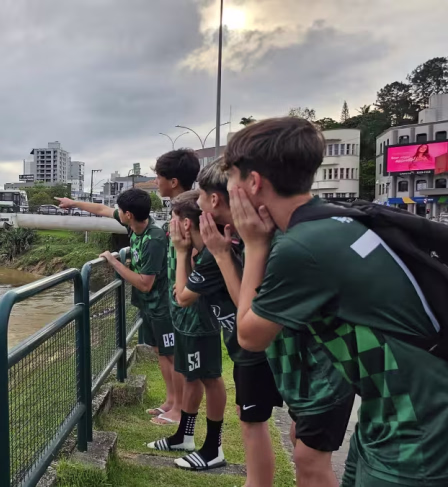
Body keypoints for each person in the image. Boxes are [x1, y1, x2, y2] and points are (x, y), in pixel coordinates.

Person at [225, 116, 448, 486]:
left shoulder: (301, 247)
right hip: (390, 413)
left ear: (253, 182)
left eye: (231, 177)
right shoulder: (332, 221)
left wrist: (253, 244)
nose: (229, 189)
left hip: (415, 430)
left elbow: (250, 336)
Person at [195, 160, 284, 485]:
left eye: (200, 196)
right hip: (259, 350)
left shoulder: (260, 239)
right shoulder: (246, 236)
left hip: (265, 350)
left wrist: (220, 255)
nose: (198, 203)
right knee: (250, 419)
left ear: (214, 199)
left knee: (261, 426)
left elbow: (246, 308)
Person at [55, 188, 177, 420]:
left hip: (162, 307)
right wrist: (73, 203)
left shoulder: (154, 239)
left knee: (171, 356)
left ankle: (179, 408)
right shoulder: (133, 225)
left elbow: (145, 284)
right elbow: (101, 209)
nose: (117, 212)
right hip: (149, 306)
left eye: (120, 210)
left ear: (128, 214)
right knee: (161, 353)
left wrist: (114, 261)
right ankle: (170, 402)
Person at [146, 190, 226, 471]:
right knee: (192, 377)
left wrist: (182, 252)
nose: (169, 225)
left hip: (200, 325)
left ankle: (214, 447)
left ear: (186, 223)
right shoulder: (195, 249)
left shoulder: (205, 254)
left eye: (173, 218)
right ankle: (185, 436)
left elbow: (183, 294)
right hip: (184, 323)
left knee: (210, 379)